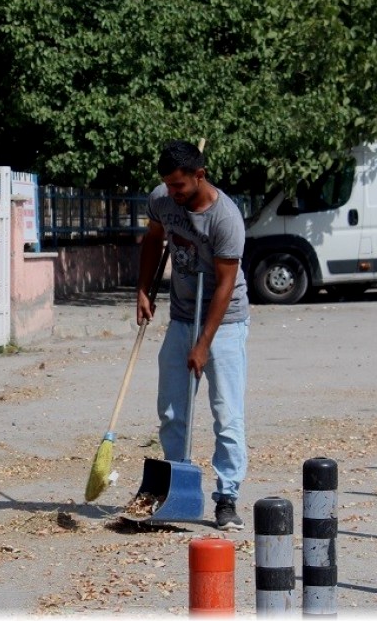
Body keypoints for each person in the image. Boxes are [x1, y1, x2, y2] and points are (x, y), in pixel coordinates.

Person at [135, 139, 250, 531]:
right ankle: (174, 487)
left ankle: (227, 496)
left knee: (226, 413)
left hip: (225, 322)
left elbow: (224, 285)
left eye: (179, 186)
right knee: (171, 409)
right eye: (167, 185)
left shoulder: (226, 219)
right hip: (182, 315)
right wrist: (143, 289)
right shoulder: (163, 200)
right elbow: (153, 239)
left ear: (199, 176)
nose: (172, 193)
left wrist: (203, 345)